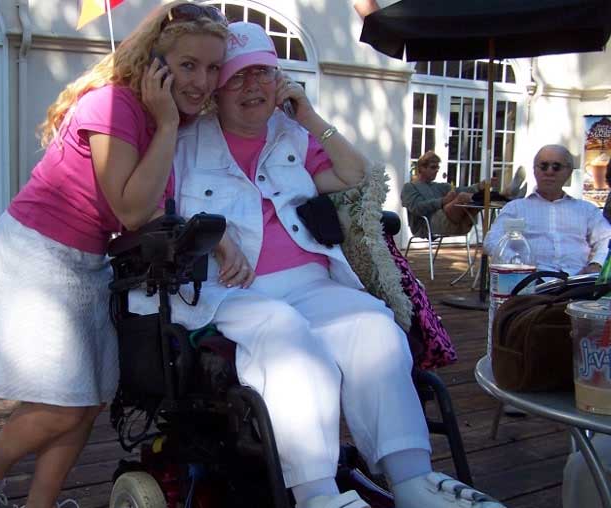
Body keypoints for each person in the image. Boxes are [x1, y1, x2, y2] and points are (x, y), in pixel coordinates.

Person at [134, 21, 506, 508]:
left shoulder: (292, 134)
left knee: (375, 328)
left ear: (279, 82)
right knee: (286, 337)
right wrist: (218, 239)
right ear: (216, 92)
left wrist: (309, 115)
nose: (253, 88)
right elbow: (152, 213)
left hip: (312, 281)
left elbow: (355, 175)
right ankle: (316, 494)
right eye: (238, 78)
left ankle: (412, 479)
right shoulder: (185, 144)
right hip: (231, 290)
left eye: (263, 74)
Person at [0, 3, 228, 508]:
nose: (203, 81)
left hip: (89, 262)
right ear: (156, 62)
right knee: (62, 405)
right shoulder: (115, 105)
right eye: (189, 65)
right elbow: (130, 207)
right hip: (38, 254)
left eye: (213, 68)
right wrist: (166, 127)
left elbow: (161, 205)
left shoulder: (167, 119)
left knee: (87, 402)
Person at [484, 144, 611, 275]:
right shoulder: (516, 208)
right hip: (530, 282)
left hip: (577, 283)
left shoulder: (586, 210)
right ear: (534, 171)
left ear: (569, 172)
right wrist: (518, 262)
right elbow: (492, 241)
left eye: (556, 167)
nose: (549, 172)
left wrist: (596, 264)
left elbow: (607, 238)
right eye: (543, 166)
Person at [401, 150, 490, 238]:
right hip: (427, 224)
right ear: (421, 168)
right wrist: (442, 201)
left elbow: (461, 190)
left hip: (454, 223)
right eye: (433, 167)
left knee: (479, 199)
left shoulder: (440, 186)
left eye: (437, 168)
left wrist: (479, 186)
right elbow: (417, 208)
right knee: (463, 197)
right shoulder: (410, 187)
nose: (436, 170)